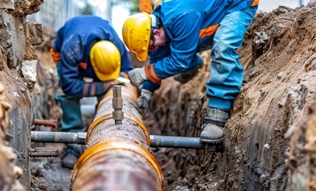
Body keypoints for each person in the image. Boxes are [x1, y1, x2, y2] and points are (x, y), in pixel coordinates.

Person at [122, 0, 259, 144]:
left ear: (155, 32)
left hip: (236, 5)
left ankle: (218, 114)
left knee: (222, 48)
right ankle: (194, 64)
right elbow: (158, 56)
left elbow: (180, 61)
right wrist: (147, 92)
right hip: (202, 14)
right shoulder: (157, 24)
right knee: (171, 50)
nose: (153, 50)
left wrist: (144, 73)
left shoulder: (182, 16)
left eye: (150, 47)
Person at [51, 15, 133, 168]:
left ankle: (101, 125)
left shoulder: (117, 45)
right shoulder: (72, 48)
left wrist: (115, 80)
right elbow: (69, 85)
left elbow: (127, 70)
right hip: (67, 55)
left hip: (92, 54)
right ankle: (73, 144)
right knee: (69, 96)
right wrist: (102, 86)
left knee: (110, 91)